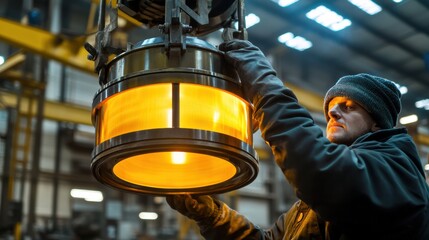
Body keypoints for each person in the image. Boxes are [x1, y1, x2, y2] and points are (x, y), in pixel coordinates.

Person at [166, 40, 429, 239]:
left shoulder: (397, 170)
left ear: (376, 121)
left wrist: (264, 83)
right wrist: (213, 216)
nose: (333, 112)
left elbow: (318, 165)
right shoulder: (308, 209)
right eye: (330, 109)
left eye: (348, 106)